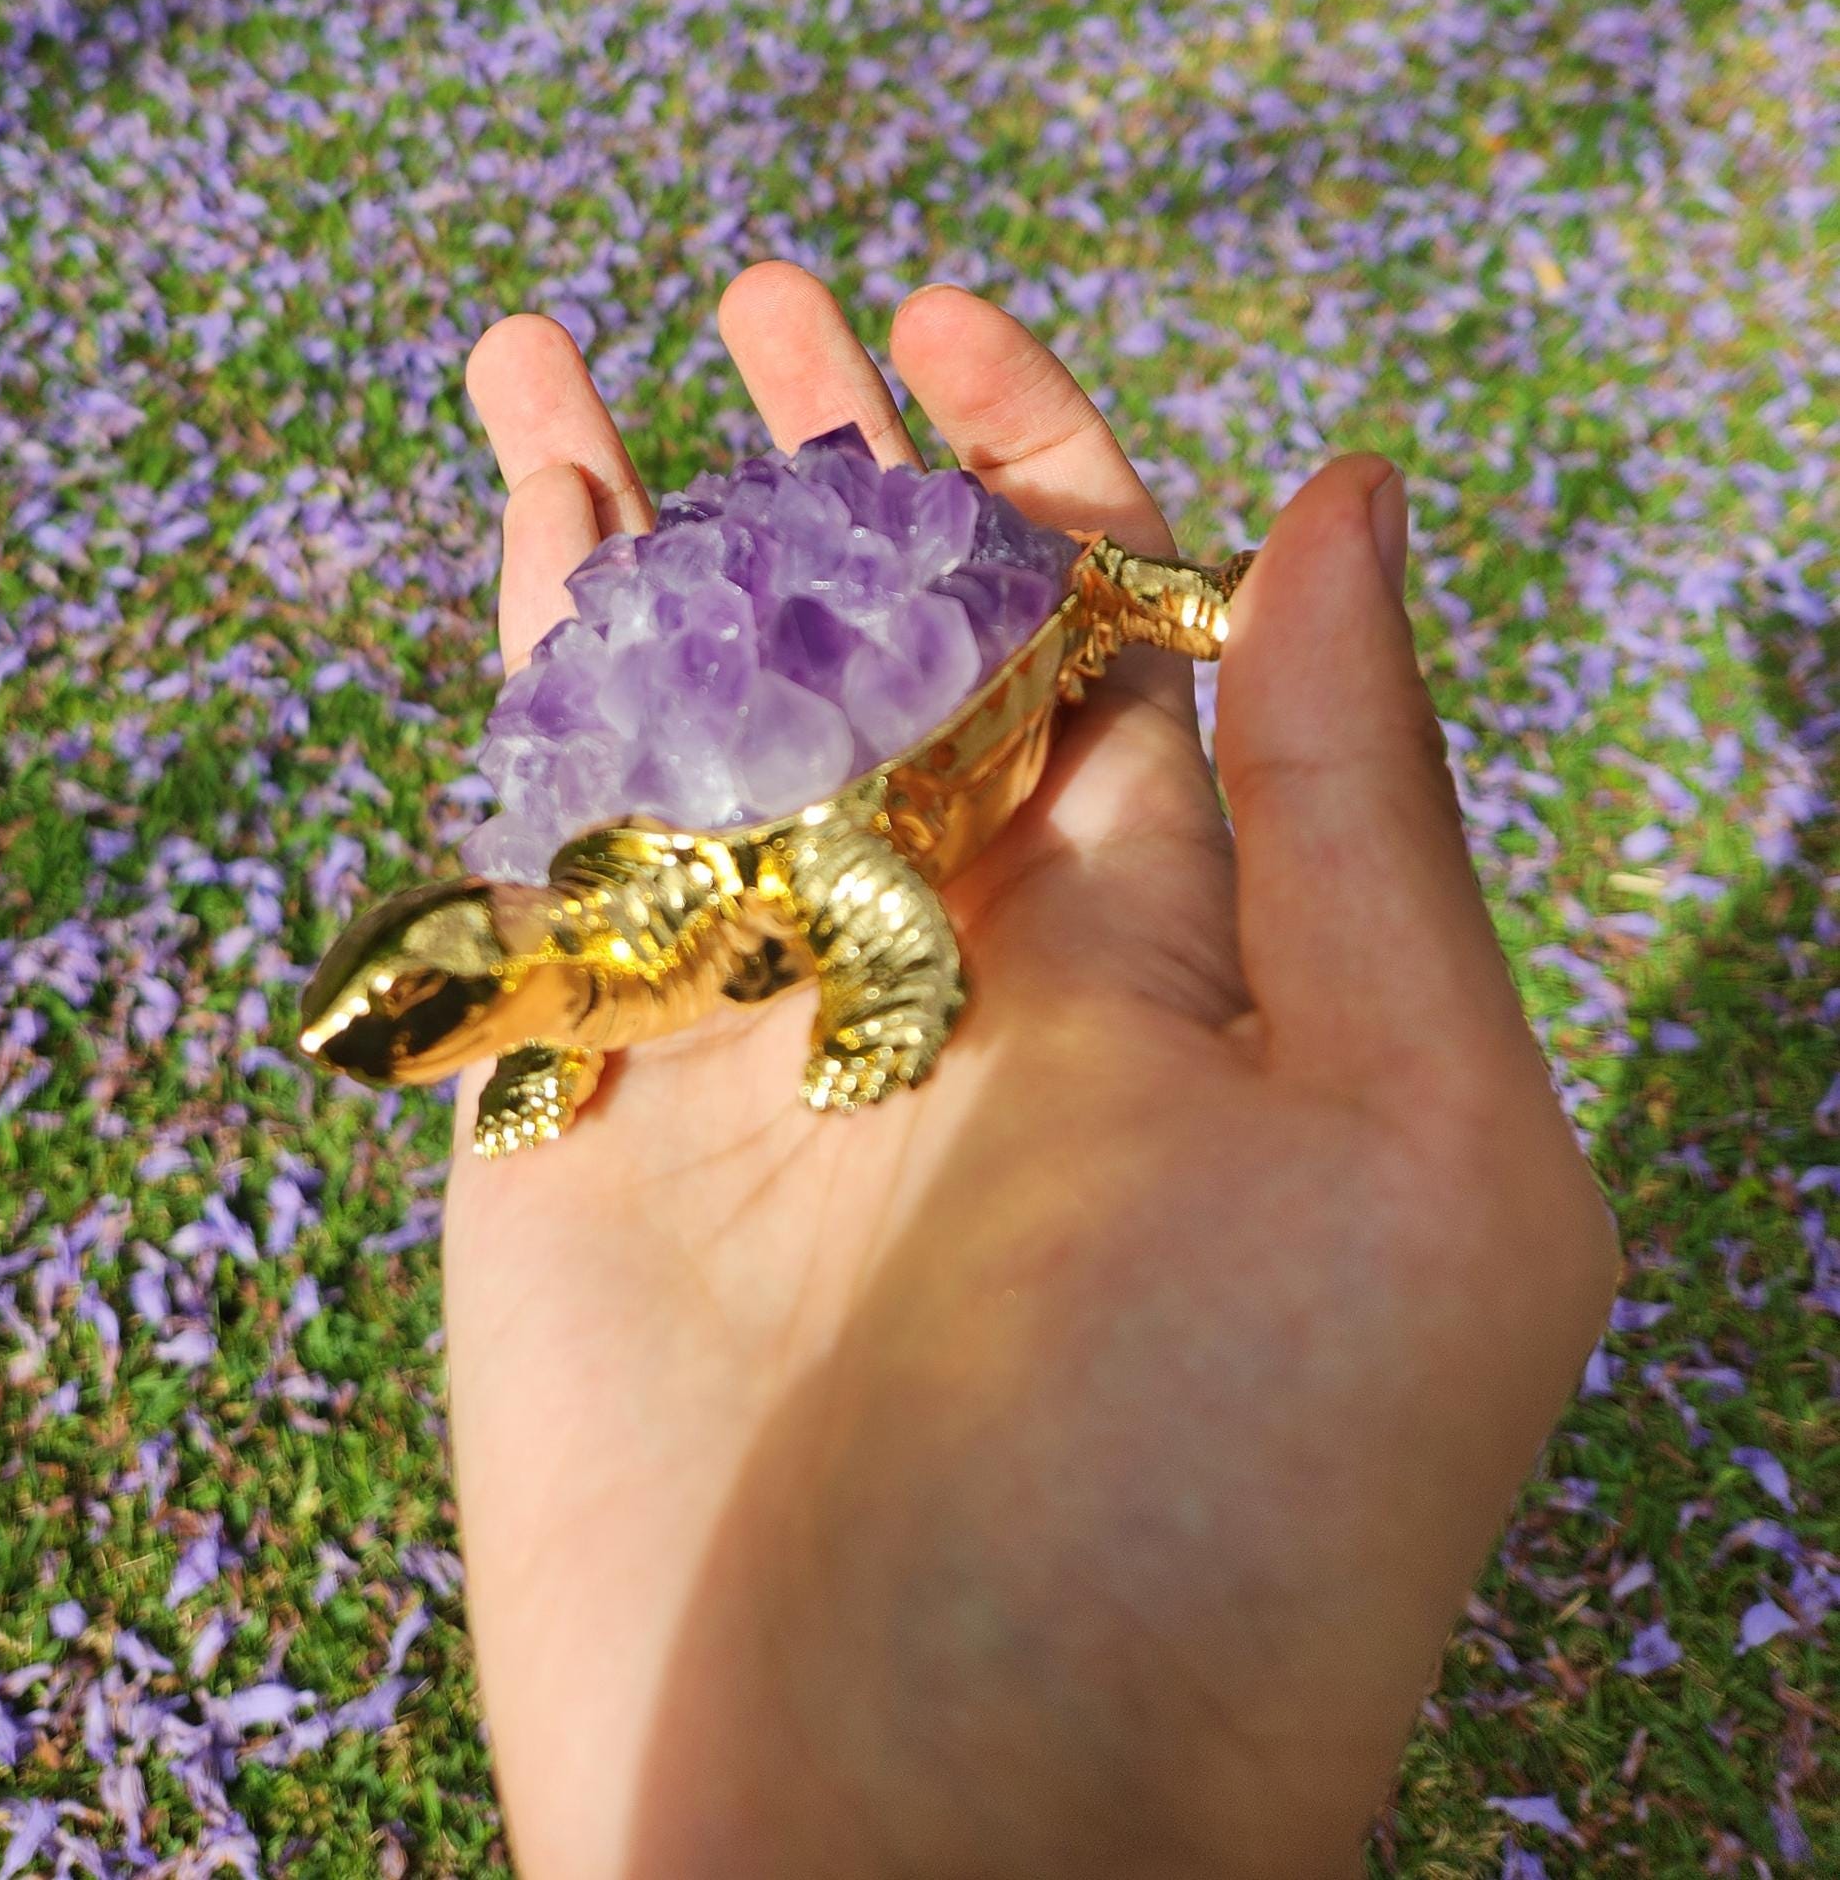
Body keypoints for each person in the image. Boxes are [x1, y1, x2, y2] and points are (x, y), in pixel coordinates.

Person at [438, 261, 1618, 1880]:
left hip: (967, 637)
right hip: (741, 735)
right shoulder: (592, 945)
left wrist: (890, 1003)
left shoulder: (798, 857)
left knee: (1101, 602)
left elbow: (866, 892)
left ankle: (1148, 594)